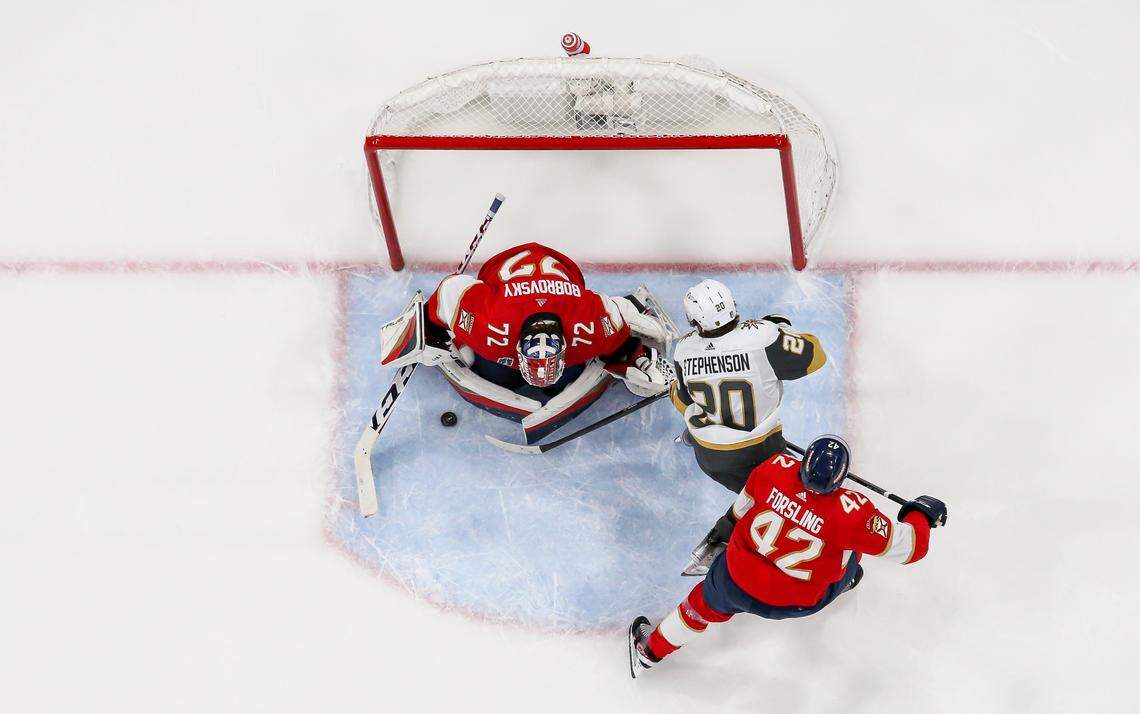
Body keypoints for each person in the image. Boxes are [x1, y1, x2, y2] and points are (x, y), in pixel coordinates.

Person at [628, 435, 947, 678]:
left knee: (699, 606)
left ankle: (649, 652)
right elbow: (912, 548)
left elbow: (740, 511)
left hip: (736, 579)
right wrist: (920, 514)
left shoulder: (774, 468)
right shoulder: (854, 512)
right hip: (800, 601)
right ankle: (848, 581)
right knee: (853, 548)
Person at [423, 242, 673, 443]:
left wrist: (635, 358)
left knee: (558, 379)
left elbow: (619, 341)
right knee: (498, 375)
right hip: (504, 277)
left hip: (561, 285)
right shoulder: (492, 325)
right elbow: (449, 292)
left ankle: (623, 310)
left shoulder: (589, 324)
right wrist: (431, 325)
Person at [670, 278, 829, 573]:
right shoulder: (763, 337)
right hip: (761, 452)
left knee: (696, 414)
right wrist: (781, 329)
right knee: (792, 501)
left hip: (708, 456)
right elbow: (816, 356)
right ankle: (728, 542)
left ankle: (693, 437)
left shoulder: (683, 350)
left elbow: (681, 400)